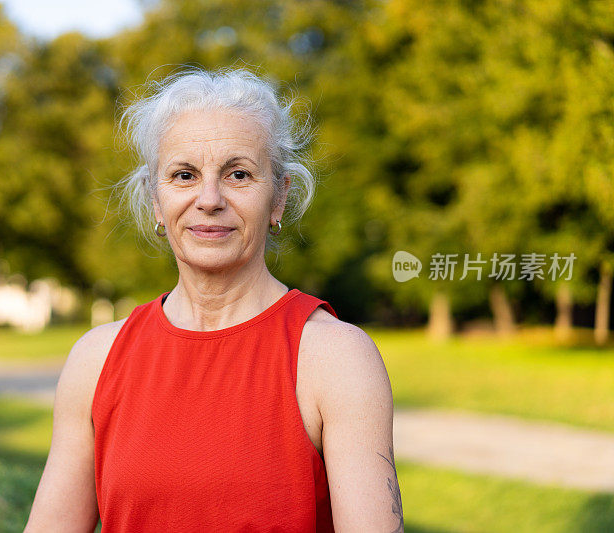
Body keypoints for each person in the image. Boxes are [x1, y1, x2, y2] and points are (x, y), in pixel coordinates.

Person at [24, 67, 402, 532]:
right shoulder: (95, 360)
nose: (209, 199)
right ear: (156, 200)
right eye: (184, 175)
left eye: (238, 174)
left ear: (278, 198)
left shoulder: (336, 357)